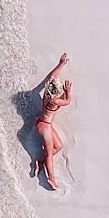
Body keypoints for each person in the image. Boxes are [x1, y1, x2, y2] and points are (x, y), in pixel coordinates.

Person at [33, 51, 73, 190]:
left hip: (43, 123)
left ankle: (40, 161)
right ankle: (51, 179)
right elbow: (67, 101)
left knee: (59, 146)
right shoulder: (55, 101)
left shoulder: (47, 93)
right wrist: (68, 91)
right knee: (50, 152)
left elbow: (52, 76)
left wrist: (61, 63)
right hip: (44, 127)